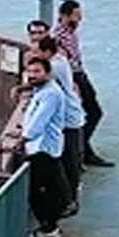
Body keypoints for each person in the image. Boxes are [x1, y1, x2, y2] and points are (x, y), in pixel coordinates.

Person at [27, 28, 85, 212]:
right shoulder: (59, 60)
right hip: (70, 116)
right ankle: (70, 199)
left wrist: (21, 88)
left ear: (46, 53)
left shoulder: (55, 66)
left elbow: (39, 81)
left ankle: (69, 201)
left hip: (68, 119)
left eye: (38, 53)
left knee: (67, 162)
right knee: (69, 160)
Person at [55, 0, 113, 168]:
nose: (79, 19)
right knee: (92, 113)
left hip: (79, 74)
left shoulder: (71, 32)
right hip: (74, 77)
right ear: (64, 16)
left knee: (92, 113)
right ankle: (83, 150)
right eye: (76, 15)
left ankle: (84, 149)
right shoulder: (59, 36)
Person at [19, 54, 69, 237]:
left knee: (39, 192)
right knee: (46, 190)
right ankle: (49, 227)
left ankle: (49, 229)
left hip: (43, 150)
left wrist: (23, 139)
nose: (32, 75)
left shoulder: (51, 94)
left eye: (37, 71)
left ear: (47, 73)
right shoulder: (43, 90)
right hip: (43, 149)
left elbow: (39, 121)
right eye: (29, 71)